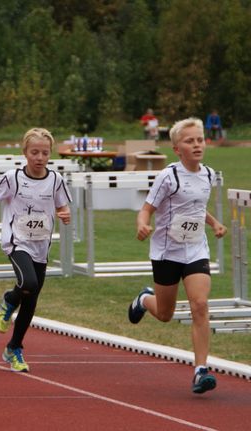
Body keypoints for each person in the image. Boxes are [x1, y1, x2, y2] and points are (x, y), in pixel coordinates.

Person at [127, 117, 227, 394]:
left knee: (200, 304)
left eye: (200, 140)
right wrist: (142, 224)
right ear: (176, 149)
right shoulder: (168, 176)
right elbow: (147, 208)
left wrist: (214, 223)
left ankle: (200, 371)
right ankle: (144, 299)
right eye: (189, 141)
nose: (197, 145)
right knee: (165, 314)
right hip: (166, 251)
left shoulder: (208, 174)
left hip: (195, 249)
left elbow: (196, 207)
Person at [0, 128, 72, 372]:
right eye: (34, 152)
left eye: (44, 153)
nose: (40, 158)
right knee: (29, 283)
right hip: (17, 241)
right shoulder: (13, 178)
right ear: (25, 152)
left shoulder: (55, 180)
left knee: (31, 299)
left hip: (41, 245)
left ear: (50, 154)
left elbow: (62, 207)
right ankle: (8, 300)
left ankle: (13, 348)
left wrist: (65, 214)